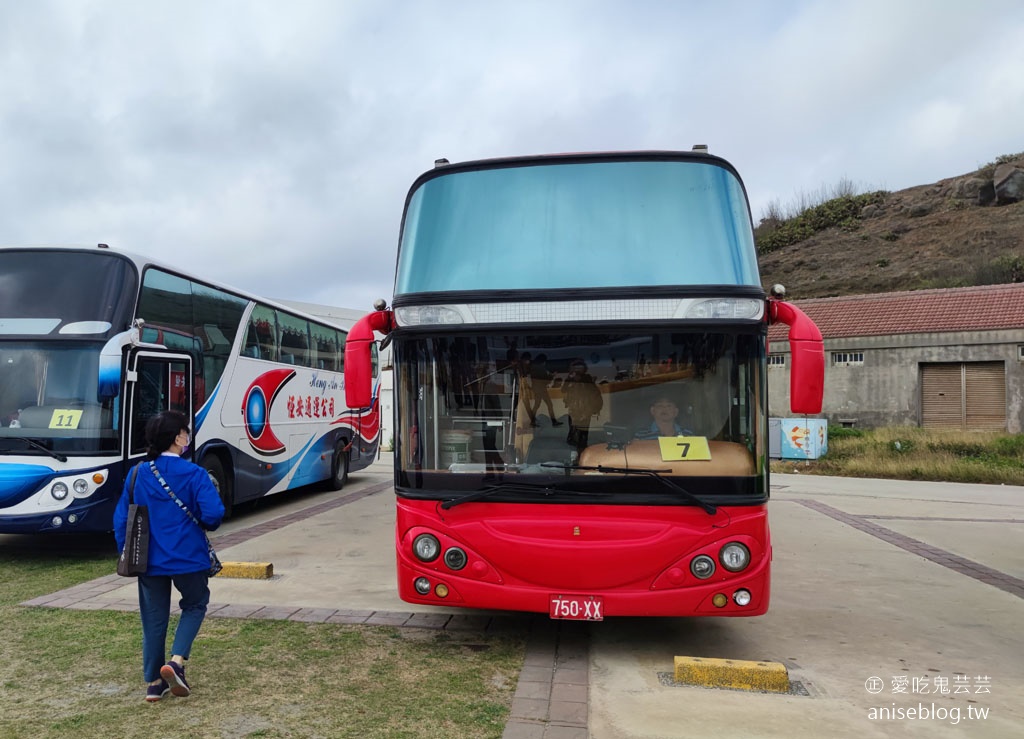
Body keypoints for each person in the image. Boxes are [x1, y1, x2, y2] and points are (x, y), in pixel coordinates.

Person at [113, 410, 225, 703]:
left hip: (148, 559)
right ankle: (175, 662)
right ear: (178, 438)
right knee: (195, 604)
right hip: (189, 557)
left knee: (153, 618)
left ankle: (153, 683)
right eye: (186, 433)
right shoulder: (196, 474)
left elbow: (121, 519)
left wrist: (127, 550)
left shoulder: (138, 473)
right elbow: (213, 515)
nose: (187, 437)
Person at [562, 359, 602, 451]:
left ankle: (582, 452)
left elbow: (594, 394)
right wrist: (569, 379)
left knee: (583, 436)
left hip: (585, 411)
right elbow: (563, 390)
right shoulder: (570, 380)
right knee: (572, 434)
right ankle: (576, 454)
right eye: (574, 369)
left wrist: (593, 409)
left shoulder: (587, 380)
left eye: (579, 369)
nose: (576, 372)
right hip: (573, 411)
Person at [521, 352, 562, 427]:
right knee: (549, 404)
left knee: (537, 405)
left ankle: (533, 421)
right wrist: (552, 375)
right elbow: (546, 380)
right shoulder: (540, 368)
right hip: (541, 389)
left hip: (536, 388)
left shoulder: (533, 367)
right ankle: (553, 421)